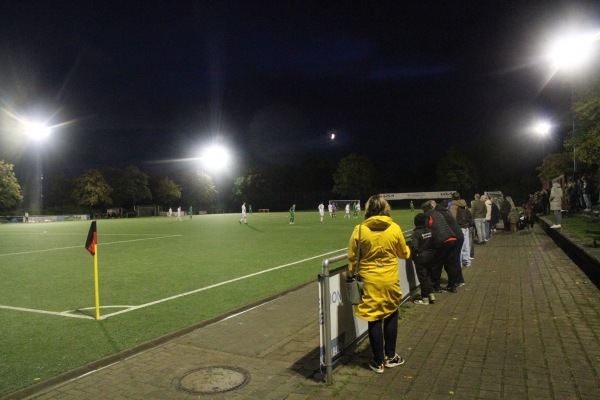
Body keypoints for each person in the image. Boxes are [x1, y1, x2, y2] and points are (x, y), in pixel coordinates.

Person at [347, 194, 410, 373]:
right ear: (385, 208)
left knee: (374, 319)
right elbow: (403, 253)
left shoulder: (360, 229)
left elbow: (352, 257)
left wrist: (352, 273)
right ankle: (391, 356)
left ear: (368, 210)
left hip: (369, 280)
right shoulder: (394, 228)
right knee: (391, 314)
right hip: (389, 279)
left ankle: (378, 361)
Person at [421, 200, 458, 293]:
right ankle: (452, 286)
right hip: (451, 238)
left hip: (441, 241)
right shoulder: (437, 213)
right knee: (450, 264)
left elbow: (427, 229)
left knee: (437, 265)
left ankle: (435, 286)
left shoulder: (427, 215)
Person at [409, 213, 436, 305]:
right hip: (431, 256)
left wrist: (416, 254)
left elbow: (414, 246)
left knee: (422, 278)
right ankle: (431, 294)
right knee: (428, 276)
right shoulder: (430, 231)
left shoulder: (416, 233)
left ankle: (424, 298)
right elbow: (435, 242)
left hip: (421, 258)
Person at [449, 192, 472, 268]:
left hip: (458, 227)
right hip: (465, 226)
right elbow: (470, 215)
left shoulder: (453, 206)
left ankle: (460, 262)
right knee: (466, 244)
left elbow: (453, 218)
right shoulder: (464, 205)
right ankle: (467, 261)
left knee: (459, 245)